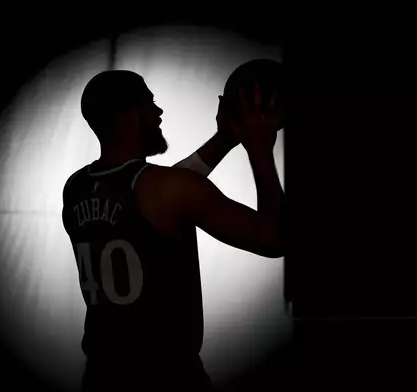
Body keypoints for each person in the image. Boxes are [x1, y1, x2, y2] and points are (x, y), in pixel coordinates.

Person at [61, 63, 284, 392]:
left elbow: (165, 190)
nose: (159, 110)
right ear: (129, 116)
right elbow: (274, 238)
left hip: (101, 377)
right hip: (167, 379)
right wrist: (259, 148)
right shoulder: (166, 189)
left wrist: (224, 139)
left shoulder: (77, 187)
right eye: (150, 103)